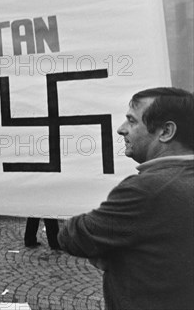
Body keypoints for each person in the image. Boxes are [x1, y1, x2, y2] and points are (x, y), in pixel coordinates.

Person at [57, 87, 194, 309]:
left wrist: (111, 250)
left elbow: (73, 236)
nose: (121, 130)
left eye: (132, 121)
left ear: (166, 131)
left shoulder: (147, 189)